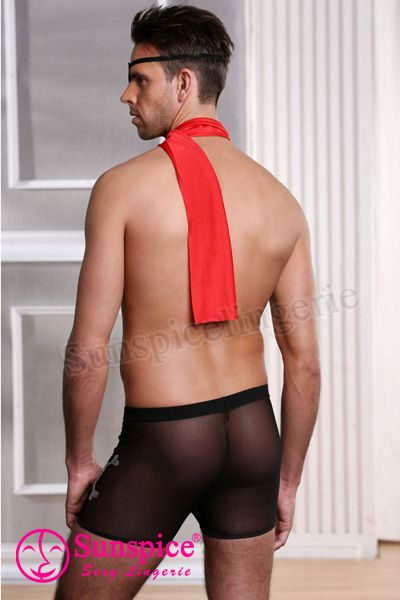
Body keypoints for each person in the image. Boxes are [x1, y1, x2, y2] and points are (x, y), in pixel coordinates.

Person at [54, 4, 320, 599]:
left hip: (166, 440)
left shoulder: (122, 189)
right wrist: (286, 480)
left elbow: (88, 349)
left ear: (182, 83)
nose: (126, 95)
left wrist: (79, 462)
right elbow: (304, 364)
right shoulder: (282, 202)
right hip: (254, 437)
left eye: (139, 78)